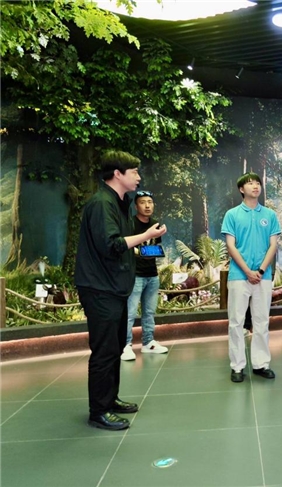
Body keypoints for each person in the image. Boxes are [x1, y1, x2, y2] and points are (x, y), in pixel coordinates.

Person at [75, 151, 167, 430]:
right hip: (99, 288)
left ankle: (110, 399)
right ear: (117, 174)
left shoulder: (120, 202)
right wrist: (147, 235)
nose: (138, 176)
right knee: (104, 351)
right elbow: (112, 245)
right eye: (134, 171)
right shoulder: (102, 204)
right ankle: (98, 411)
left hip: (113, 287)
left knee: (114, 348)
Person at [221, 172, 281, 383]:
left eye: (257, 183)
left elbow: (273, 245)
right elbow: (231, 246)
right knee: (236, 322)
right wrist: (247, 271)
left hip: (263, 277)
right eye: (250, 183)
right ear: (241, 189)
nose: (255, 186)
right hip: (239, 275)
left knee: (262, 321)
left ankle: (261, 363)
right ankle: (237, 366)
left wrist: (261, 271)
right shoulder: (232, 214)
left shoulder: (270, 215)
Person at [121, 190, 168, 361]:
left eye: (150, 202)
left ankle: (148, 342)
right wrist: (144, 251)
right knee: (130, 313)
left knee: (149, 312)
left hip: (152, 274)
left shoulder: (156, 224)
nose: (147, 206)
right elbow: (126, 247)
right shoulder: (130, 224)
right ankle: (125, 345)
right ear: (136, 206)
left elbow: (156, 249)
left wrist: (143, 251)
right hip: (135, 275)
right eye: (142, 202)